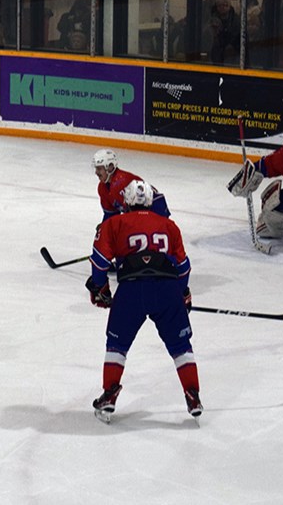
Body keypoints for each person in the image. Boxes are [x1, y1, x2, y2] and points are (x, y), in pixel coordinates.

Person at [87, 179, 200, 423]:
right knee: (180, 346)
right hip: (167, 289)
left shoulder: (114, 223)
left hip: (132, 291)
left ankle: (109, 395)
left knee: (117, 345)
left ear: (126, 201)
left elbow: (99, 263)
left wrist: (100, 288)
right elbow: (183, 267)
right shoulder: (169, 226)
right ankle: (193, 394)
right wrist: (183, 294)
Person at [92, 149, 170, 222]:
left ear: (110, 167)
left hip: (156, 208)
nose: (96, 172)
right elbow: (110, 216)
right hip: (140, 214)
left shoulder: (122, 183)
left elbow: (136, 212)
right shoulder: (102, 188)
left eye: (99, 169)